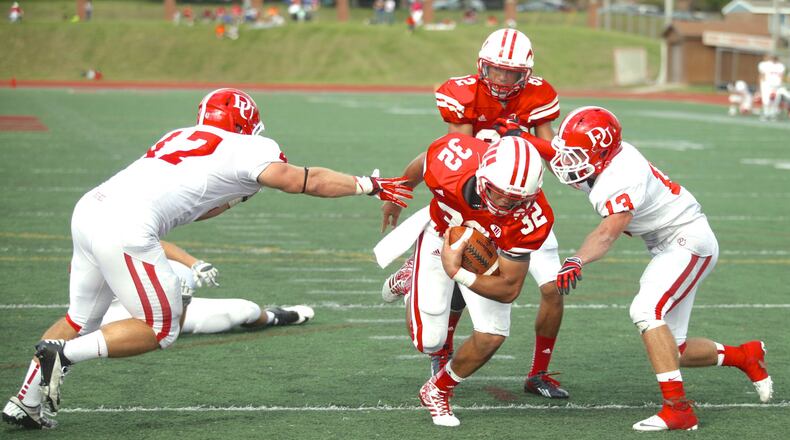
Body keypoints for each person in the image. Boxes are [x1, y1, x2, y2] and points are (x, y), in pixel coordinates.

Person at [1, 88, 412, 430]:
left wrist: (236, 196)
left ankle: (26, 400)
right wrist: (369, 185)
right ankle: (64, 355)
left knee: (79, 319)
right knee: (161, 328)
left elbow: (200, 204)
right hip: (125, 226)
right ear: (246, 123)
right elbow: (303, 180)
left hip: (91, 208)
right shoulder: (250, 146)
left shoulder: (179, 135)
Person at [549, 106, 773, 431]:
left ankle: (678, 409)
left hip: (687, 240)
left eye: (576, 154)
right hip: (672, 241)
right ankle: (745, 356)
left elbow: (606, 234)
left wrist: (576, 259)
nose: (568, 160)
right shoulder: (608, 159)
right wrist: (522, 137)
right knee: (675, 349)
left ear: (600, 152)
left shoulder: (621, 176)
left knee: (645, 310)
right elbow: (558, 153)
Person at [381, 28, 568, 399]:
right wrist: (402, 187)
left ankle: (539, 372)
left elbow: (555, 155)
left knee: (552, 288)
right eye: (495, 70)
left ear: (526, 74)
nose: (501, 79)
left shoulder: (539, 94)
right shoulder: (464, 92)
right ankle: (442, 348)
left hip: (522, 202)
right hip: (476, 195)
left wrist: (525, 138)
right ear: (482, 66)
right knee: (468, 268)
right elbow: (456, 149)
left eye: (510, 73)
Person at [384, 134, 554, 426]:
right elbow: (424, 162)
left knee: (493, 334)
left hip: (488, 254)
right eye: (499, 193)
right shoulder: (453, 161)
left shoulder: (532, 218)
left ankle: (437, 390)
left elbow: (509, 288)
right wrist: (400, 193)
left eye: (516, 200)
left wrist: (458, 272)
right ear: (482, 175)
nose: (503, 203)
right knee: (428, 341)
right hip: (441, 235)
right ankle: (412, 274)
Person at [101, 241, 315, 333]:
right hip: (118, 309)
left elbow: (155, 244)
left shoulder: (133, 239)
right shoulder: (103, 248)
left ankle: (272, 317)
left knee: (246, 309)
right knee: (87, 328)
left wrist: (194, 263)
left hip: (163, 311)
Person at [757, 54, 786, 121]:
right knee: (766, 100)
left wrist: (780, 84)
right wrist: (761, 85)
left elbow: (781, 76)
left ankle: (772, 114)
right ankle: (766, 114)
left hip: (776, 85)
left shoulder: (780, 66)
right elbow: (762, 75)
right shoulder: (765, 64)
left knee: (775, 100)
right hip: (767, 85)